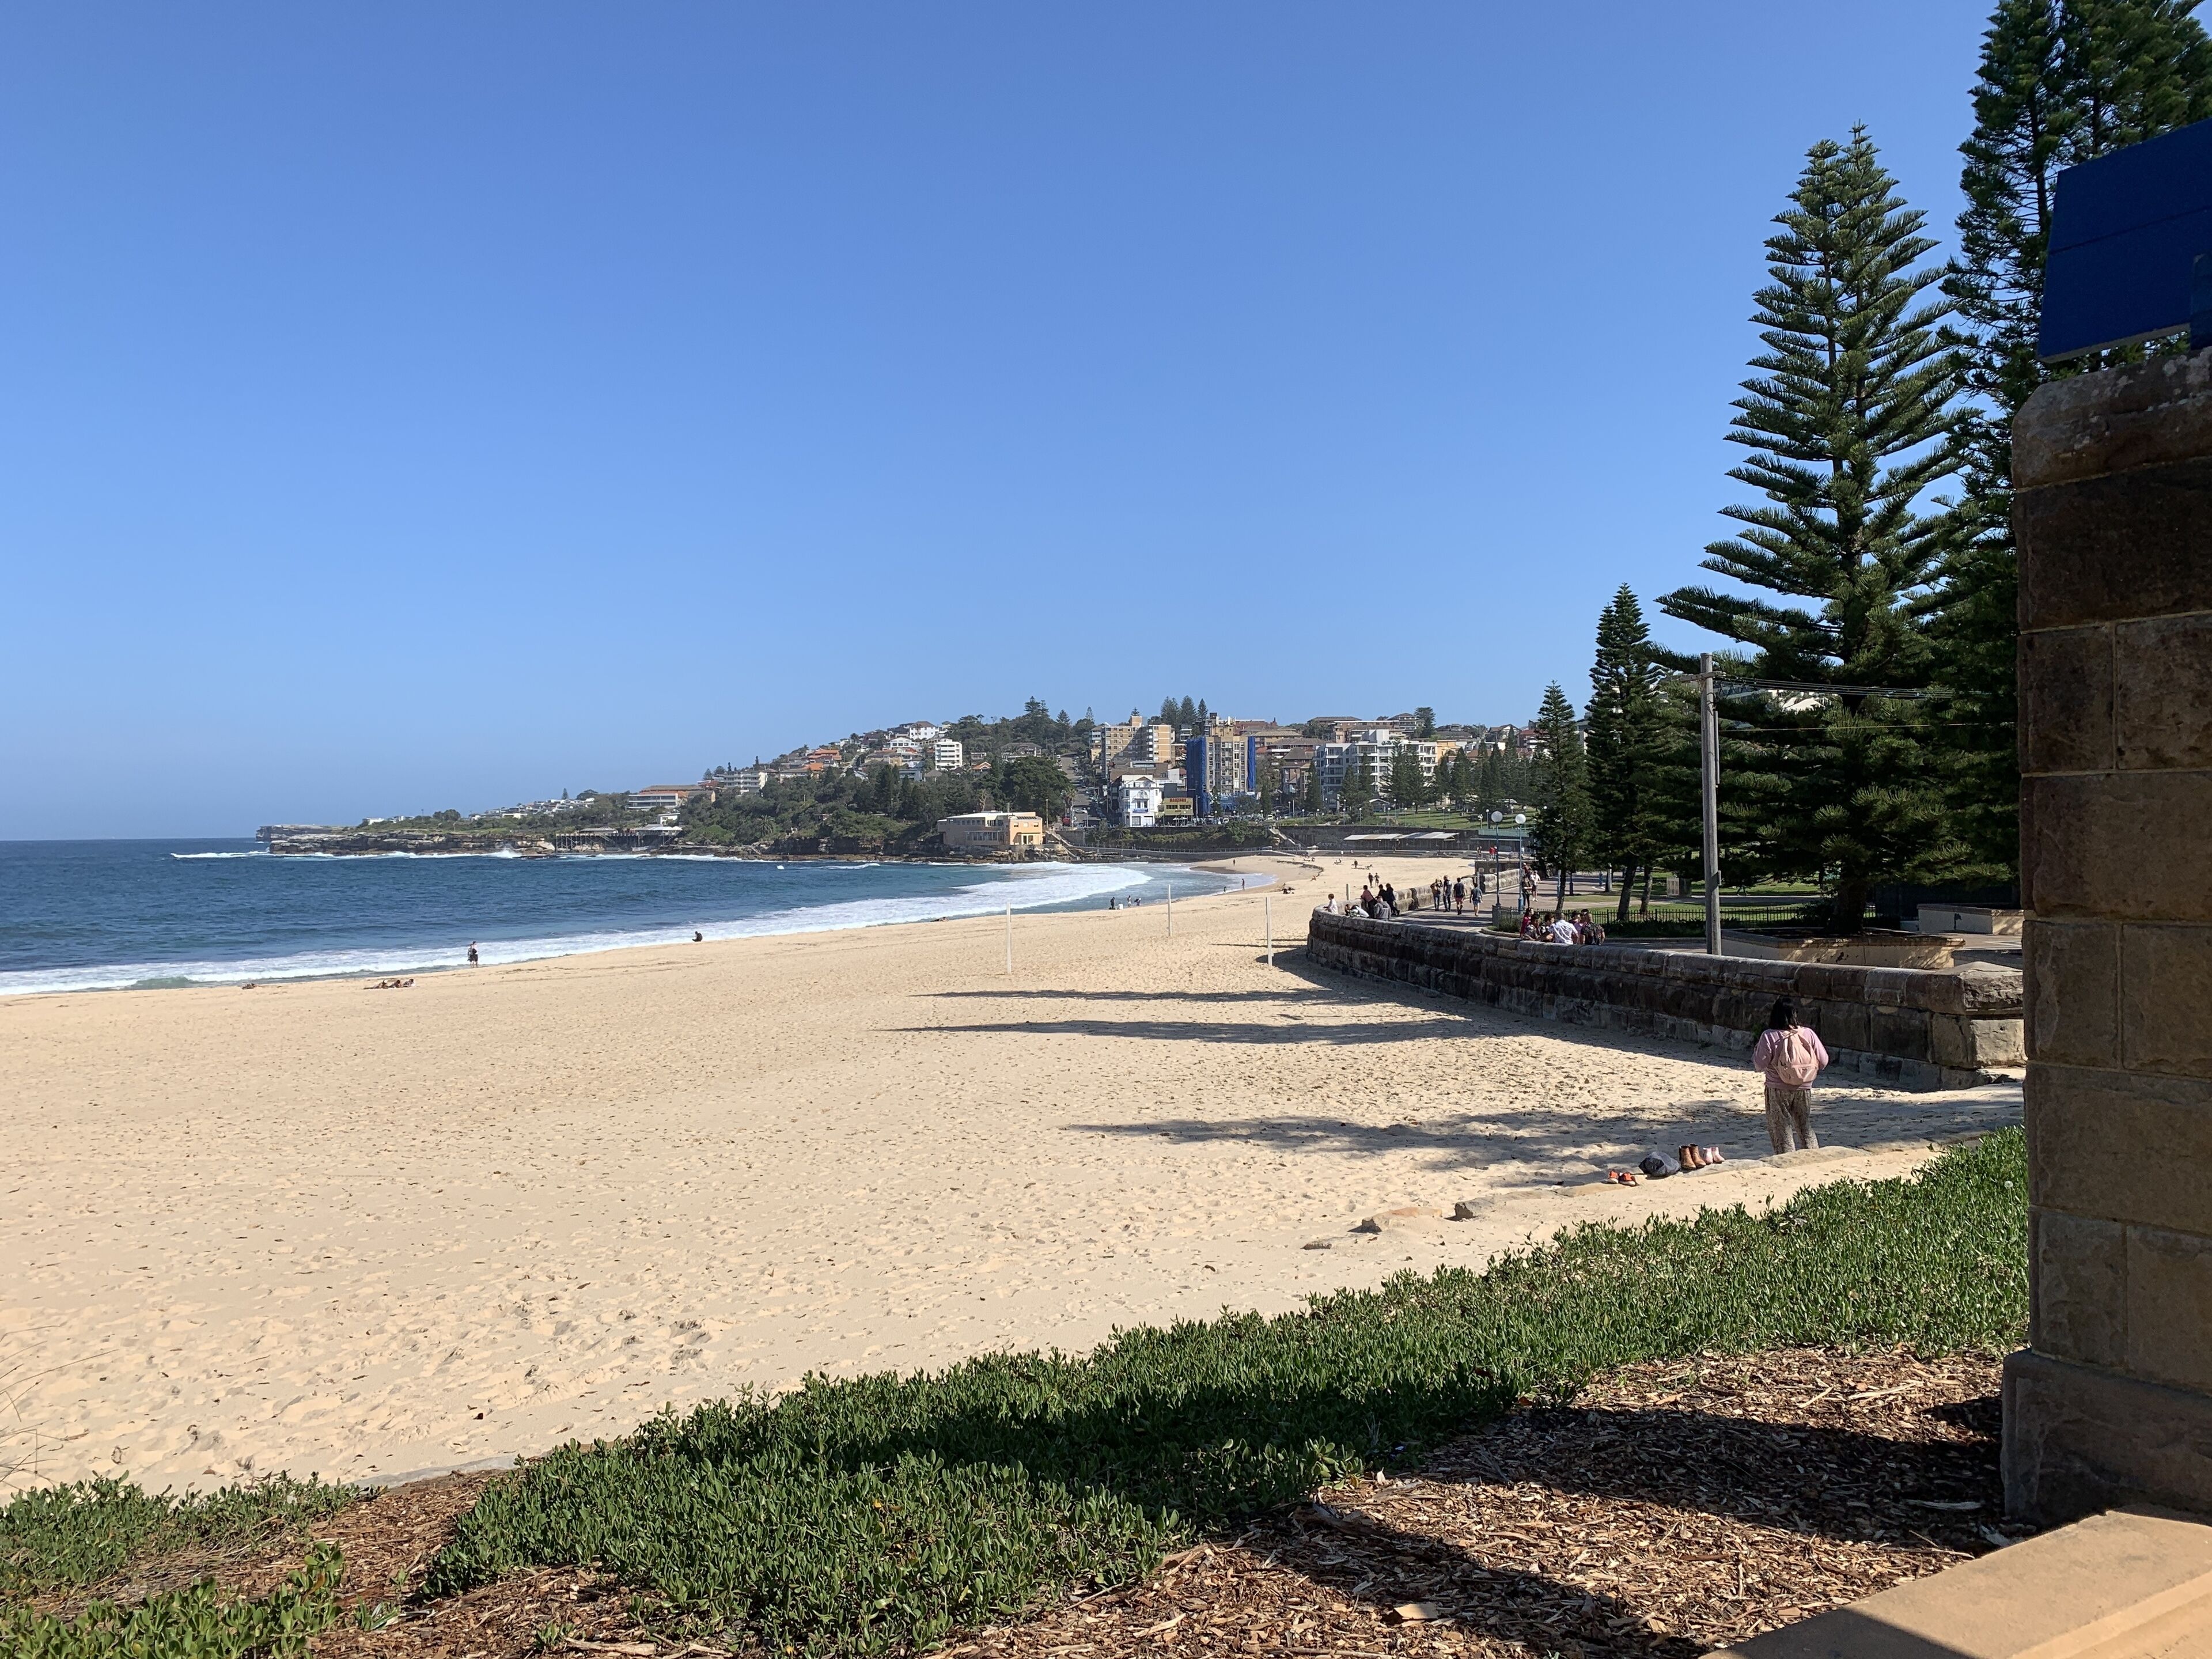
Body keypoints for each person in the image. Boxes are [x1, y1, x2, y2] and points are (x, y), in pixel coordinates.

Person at [1752, 998, 1830, 1152]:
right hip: (1804, 1087)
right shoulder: (1808, 1033)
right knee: (1805, 1126)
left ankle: (1786, 1159)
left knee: (1782, 1128)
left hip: (1777, 1087)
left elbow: (1759, 1065)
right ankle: (1814, 1156)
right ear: (1794, 1014)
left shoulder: (1769, 1036)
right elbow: (1824, 1061)